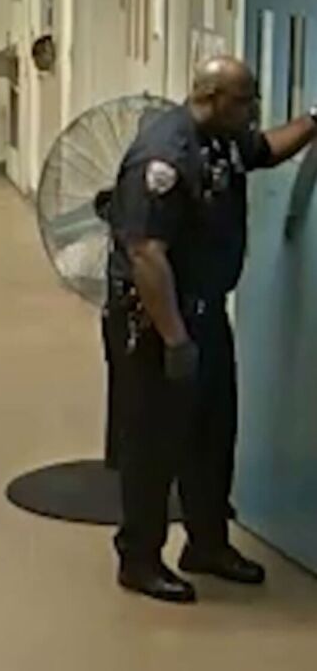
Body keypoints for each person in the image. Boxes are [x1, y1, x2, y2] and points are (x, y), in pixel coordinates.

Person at [105, 57, 317, 604]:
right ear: (212, 96)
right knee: (154, 441)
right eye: (246, 100)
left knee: (211, 432)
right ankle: (141, 558)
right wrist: (175, 340)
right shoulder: (164, 157)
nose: (253, 112)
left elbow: (267, 150)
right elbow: (147, 255)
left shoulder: (222, 140)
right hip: (157, 319)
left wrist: (315, 119)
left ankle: (207, 543)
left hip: (204, 312)